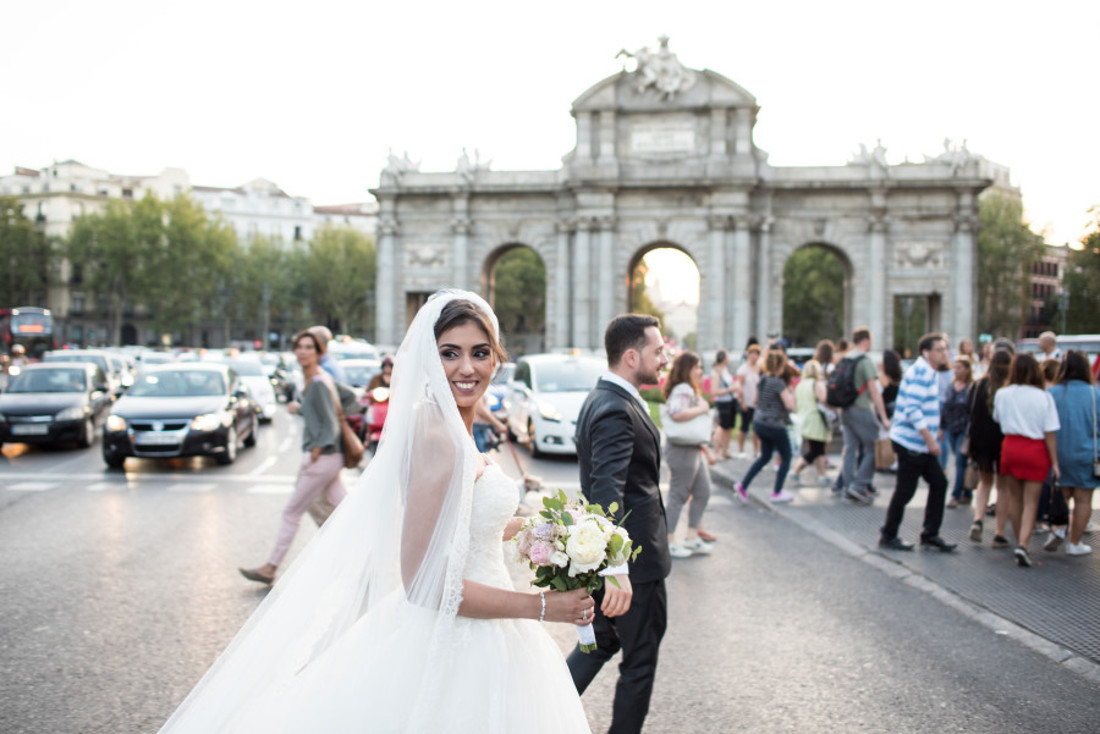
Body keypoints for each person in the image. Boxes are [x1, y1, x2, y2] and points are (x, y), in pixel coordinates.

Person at [162, 290, 595, 732]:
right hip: (452, 641)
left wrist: (550, 532)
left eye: (480, 353)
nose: (468, 368)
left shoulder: (450, 425)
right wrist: (542, 605)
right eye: (451, 354)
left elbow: (465, 527)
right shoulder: (436, 438)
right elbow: (425, 583)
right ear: (429, 359)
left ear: (496, 359)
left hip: (490, 629)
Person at [569, 313, 671, 734]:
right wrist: (616, 569)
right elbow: (606, 492)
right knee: (639, 661)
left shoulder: (604, 397)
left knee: (599, 644)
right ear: (632, 356)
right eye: (658, 350)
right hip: (632, 566)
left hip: (616, 560)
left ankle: (531, 713)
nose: (666, 357)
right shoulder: (615, 408)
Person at [239, 330, 348, 584]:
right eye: (299, 347)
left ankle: (270, 567)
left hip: (323, 458)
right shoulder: (314, 379)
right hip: (331, 459)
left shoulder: (319, 382)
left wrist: (316, 451)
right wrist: (303, 409)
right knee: (347, 509)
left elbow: (330, 426)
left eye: (309, 347)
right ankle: (365, 555)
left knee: (291, 512)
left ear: (320, 352)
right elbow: (338, 405)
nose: (302, 351)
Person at [879, 333, 957, 552]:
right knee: (906, 490)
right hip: (912, 443)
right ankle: (889, 534)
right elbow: (913, 409)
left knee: (938, 483)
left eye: (945, 349)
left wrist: (935, 430)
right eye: (939, 350)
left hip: (917, 443)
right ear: (926, 352)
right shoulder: (922, 372)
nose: (944, 353)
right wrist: (930, 438)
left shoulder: (928, 371)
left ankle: (929, 534)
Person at [993, 352, 1061, 567]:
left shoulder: (1003, 393)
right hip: (1035, 449)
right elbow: (1050, 432)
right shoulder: (1043, 397)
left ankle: (1017, 541)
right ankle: (1024, 543)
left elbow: (997, 418)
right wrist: (1055, 462)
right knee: (1032, 501)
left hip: (1011, 446)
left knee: (1015, 498)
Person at [663, 351, 717, 558]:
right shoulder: (683, 389)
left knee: (702, 491)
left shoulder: (686, 389)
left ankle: (692, 537)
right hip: (682, 449)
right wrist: (702, 408)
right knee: (678, 494)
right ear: (688, 369)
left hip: (693, 448)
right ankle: (669, 542)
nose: (701, 371)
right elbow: (677, 413)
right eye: (697, 367)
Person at [1048, 351, 1099, 556]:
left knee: (1060, 494)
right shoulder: (1095, 394)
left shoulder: (1052, 393)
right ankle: (1074, 543)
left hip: (1057, 453)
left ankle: (1058, 529)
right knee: (1084, 500)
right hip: (1087, 453)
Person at [733, 349, 797, 503]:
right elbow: (790, 405)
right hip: (774, 424)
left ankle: (743, 485)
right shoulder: (778, 383)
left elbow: (754, 400)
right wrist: (791, 395)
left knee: (765, 456)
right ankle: (777, 492)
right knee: (787, 456)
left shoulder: (762, 380)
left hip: (759, 422)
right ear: (781, 367)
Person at [838, 328, 891, 504]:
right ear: (866, 341)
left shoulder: (845, 358)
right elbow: (874, 391)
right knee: (875, 446)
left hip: (845, 409)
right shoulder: (865, 361)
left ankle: (848, 487)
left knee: (850, 448)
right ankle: (859, 485)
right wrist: (883, 417)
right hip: (861, 408)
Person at [966, 349, 1012, 546]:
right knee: (1003, 488)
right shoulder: (1010, 387)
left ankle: (978, 520)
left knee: (984, 483)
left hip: (983, 441)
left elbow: (971, 413)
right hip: (1004, 441)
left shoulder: (979, 385)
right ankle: (999, 532)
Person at [790, 359, 831, 487]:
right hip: (816, 420)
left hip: (804, 419)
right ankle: (795, 471)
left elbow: (795, 404)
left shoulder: (800, 385)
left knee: (817, 450)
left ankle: (822, 475)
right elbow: (824, 399)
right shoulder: (816, 384)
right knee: (815, 450)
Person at [943, 357, 974, 508]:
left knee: (959, 462)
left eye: (959, 367)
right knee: (960, 460)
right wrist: (942, 428)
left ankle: (956, 495)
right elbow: (945, 408)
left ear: (967, 369)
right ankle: (967, 492)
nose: (956, 371)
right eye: (954, 367)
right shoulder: (951, 386)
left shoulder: (971, 387)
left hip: (965, 429)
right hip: (951, 429)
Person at [710, 349, 739, 460]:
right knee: (721, 428)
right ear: (724, 359)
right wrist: (730, 389)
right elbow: (714, 391)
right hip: (723, 403)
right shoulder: (716, 372)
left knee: (729, 427)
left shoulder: (725, 370)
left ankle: (725, 450)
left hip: (730, 401)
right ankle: (716, 451)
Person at [735, 344, 762, 457]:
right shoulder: (743, 369)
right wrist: (742, 402)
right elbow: (740, 387)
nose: (754, 356)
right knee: (744, 426)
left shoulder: (760, 369)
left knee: (756, 428)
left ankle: (756, 450)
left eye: (756, 354)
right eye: (752, 354)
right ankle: (741, 449)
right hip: (747, 401)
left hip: (758, 403)